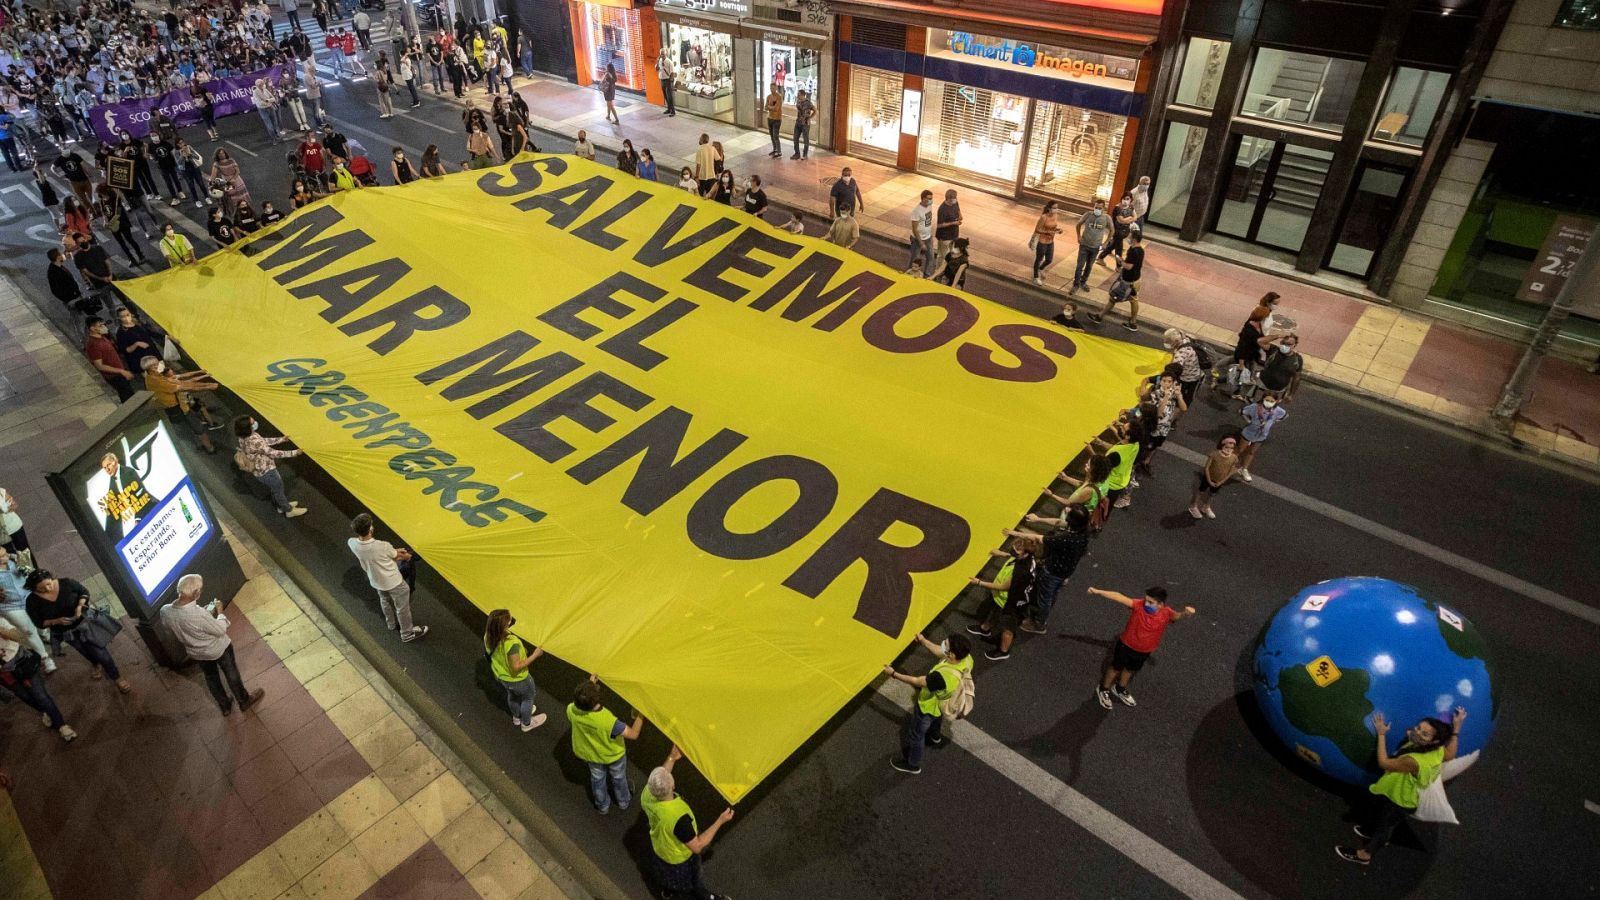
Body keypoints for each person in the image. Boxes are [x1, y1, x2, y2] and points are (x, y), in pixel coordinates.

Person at [1336, 707, 1466, 865]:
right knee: (1385, 819)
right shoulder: (1437, 750)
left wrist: (1382, 734)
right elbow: (1451, 754)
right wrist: (1456, 728)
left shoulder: (1413, 761)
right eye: (1418, 728)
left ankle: (1365, 855)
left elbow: (1384, 763)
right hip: (1405, 795)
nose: (1417, 733)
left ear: (1435, 741)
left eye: (1424, 734)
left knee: (1386, 826)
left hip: (1401, 801)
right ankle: (1372, 833)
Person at [160, 574, 264, 715]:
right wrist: (220, 611)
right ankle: (244, 700)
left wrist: (204, 615)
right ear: (196, 593)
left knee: (211, 677)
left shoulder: (165, 611)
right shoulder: (198, 615)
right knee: (231, 672)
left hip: (197, 653)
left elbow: (169, 629)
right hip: (218, 649)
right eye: (200, 590)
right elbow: (220, 630)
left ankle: (225, 706)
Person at [642, 746, 735, 899]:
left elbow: (662, 777)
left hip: (660, 849)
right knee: (693, 882)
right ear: (673, 786)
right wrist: (721, 820)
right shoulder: (678, 819)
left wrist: (671, 757)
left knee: (669, 878)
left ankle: (669, 891)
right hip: (679, 859)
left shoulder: (648, 794)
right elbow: (697, 846)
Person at [1088, 586, 1196, 709]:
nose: (1146, 603)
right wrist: (1098, 591)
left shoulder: (1166, 613)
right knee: (1115, 668)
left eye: (1150, 602)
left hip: (1144, 651)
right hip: (1126, 646)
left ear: (1160, 604)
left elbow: (1176, 616)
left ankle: (1119, 688)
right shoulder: (1138, 605)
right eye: (1146, 600)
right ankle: (1103, 689)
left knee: (1130, 669)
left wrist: (1185, 613)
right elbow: (1118, 596)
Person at [25, 569, 133, 693]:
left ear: (51, 578)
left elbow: (84, 592)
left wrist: (79, 606)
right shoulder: (31, 601)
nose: (48, 589)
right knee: (83, 650)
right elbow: (38, 623)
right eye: (42, 588)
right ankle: (95, 663)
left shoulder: (66, 583)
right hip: (65, 632)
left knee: (101, 653)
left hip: (84, 625)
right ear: (34, 588)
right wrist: (56, 621)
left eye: (49, 584)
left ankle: (117, 678)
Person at [885, 632, 972, 774]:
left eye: (946, 644)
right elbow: (940, 652)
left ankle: (913, 765)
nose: (943, 643)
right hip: (942, 702)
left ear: (952, 655)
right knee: (937, 717)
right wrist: (923, 640)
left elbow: (916, 681)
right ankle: (935, 735)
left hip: (928, 707)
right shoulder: (967, 659)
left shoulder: (941, 677)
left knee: (916, 735)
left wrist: (893, 674)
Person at [348, 512, 428, 642]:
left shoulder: (352, 543)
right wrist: (406, 555)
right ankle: (407, 633)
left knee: (384, 600)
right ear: (370, 529)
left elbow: (382, 554)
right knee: (402, 607)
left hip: (376, 580)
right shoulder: (383, 545)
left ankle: (391, 623)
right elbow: (396, 556)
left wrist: (395, 551)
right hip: (394, 582)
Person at [568, 679, 644, 814]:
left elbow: (582, 702)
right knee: (618, 777)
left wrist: (589, 684)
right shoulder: (608, 721)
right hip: (613, 756)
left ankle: (602, 806)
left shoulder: (571, 710)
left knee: (597, 779)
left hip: (590, 755)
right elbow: (633, 734)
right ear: (597, 700)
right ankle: (623, 801)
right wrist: (641, 715)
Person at [0, 619, 75, 742]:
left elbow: (17, 636)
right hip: (4, 674)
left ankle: (62, 725)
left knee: (40, 696)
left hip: (20, 661)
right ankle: (46, 711)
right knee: (25, 696)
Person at [967, 535, 1037, 661]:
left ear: (1023, 553)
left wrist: (979, 583)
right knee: (995, 611)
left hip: (1012, 602)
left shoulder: (1021, 571)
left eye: (1015, 551)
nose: (1012, 552)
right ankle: (985, 629)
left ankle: (1003, 651)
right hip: (1003, 598)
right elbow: (1013, 557)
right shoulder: (1028, 559)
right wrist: (1001, 554)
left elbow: (1004, 587)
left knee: (1007, 628)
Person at [483, 609, 546, 731]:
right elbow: (516, 666)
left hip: (501, 676)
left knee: (512, 696)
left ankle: (516, 717)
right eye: (509, 620)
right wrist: (535, 655)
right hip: (518, 679)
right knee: (528, 698)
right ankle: (526, 723)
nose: (511, 620)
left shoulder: (488, 635)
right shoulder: (511, 643)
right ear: (504, 625)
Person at [233, 415, 307, 517]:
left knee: (275, 488)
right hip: (266, 470)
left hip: (260, 469)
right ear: (248, 428)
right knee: (278, 488)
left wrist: (280, 440)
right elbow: (273, 453)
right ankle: (288, 510)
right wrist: (294, 453)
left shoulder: (244, 436)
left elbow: (263, 441)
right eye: (253, 423)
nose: (255, 423)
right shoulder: (253, 440)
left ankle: (281, 504)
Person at [0, 547, 54, 675]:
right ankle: (45, 658)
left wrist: (26, 566)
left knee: (39, 619)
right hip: (10, 606)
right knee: (28, 630)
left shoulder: (15, 560)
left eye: (5, 552)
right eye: (2, 556)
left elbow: (33, 574)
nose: (7, 555)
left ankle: (44, 633)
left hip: (28, 596)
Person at [1087, 231, 1145, 332]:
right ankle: (1132, 322)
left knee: (1114, 298)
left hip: (1129, 282)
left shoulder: (1133, 251)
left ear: (1134, 239)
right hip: (1135, 280)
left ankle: (1100, 317)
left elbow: (1129, 266)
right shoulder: (1140, 250)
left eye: (1130, 237)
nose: (1128, 238)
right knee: (1132, 300)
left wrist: (1120, 262)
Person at [83, 316, 136, 402]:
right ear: (92, 328)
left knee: (131, 396)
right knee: (128, 399)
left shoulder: (102, 337)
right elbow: (99, 366)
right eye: (100, 326)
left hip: (120, 373)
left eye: (103, 325)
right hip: (114, 376)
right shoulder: (93, 345)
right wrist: (121, 371)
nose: (104, 327)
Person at [1189, 434, 1241, 520]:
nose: (1229, 450)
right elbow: (1207, 467)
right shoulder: (1214, 454)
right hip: (1209, 477)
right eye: (1227, 447)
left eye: (1231, 448)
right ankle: (1193, 506)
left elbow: (1231, 471)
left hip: (1220, 480)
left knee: (1213, 494)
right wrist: (1209, 480)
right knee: (1201, 491)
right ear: (1222, 446)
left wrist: (1222, 481)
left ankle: (1206, 507)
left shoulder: (1234, 458)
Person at [1237, 394, 1287, 482]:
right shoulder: (1255, 407)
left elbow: (1284, 416)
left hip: (1262, 435)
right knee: (1240, 450)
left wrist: (1274, 421)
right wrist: (1248, 421)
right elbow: (1241, 412)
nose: (1269, 403)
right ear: (1263, 399)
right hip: (1249, 432)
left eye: (1272, 401)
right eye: (1267, 400)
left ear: (1276, 401)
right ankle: (1231, 464)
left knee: (1251, 452)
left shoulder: (1277, 410)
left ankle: (1244, 469)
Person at [1071, 198, 1111, 294]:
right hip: (1084, 245)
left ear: (1103, 208)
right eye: (1095, 207)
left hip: (1095, 247)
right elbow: (1078, 224)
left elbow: (1112, 230)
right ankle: (1076, 284)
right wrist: (1078, 236)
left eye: (1099, 208)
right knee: (1080, 265)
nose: (1097, 209)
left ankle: (1083, 282)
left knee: (1089, 265)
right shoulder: (1088, 215)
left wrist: (1105, 243)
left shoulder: (1106, 218)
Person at [1163, 328, 1207, 405]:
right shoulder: (1185, 340)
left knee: (1183, 394)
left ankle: (1182, 404)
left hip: (1188, 378)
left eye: (1169, 342)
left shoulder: (1180, 354)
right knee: (1189, 394)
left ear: (1175, 342)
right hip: (1196, 372)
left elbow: (1176, 368)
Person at [1256, 333, 1304, 402]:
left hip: (1279, 390)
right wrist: (1278, 335)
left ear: (1294, 345)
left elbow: (1297, 377)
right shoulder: (1274, 350)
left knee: (1271, 406)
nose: (1285, 346)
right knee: (1259, 403)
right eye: (1284, 343)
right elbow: (1260, 341)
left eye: (1289, 344)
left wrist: (1291, 394)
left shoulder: (1298, 359)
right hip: (1263, 385)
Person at [1099, 193, 1137, 265]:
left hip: (1125, 231)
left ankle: (1100, 258)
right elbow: (1120, 220)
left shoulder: (1131, 206)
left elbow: (1135, 217)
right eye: (1124, 198)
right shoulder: (1118, 208)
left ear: (1131, 200)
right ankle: (1118, 266)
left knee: (1113, 246)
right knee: (1119, 249)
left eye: (1128, 199)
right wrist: (1130, 218)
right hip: (1117, 231)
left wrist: (1128, 219)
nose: (1125, 200)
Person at [1031, 200, 1063, 284]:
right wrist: (1046, 232)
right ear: (1049, 208)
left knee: (1049, 260)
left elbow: (1053, 227)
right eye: (1054, 208)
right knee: (1039, 259)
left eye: (1057, 208)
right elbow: (1037, 229)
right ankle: (1036, 277)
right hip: (1042, 241)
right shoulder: (1044, 217)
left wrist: (1058, 230)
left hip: (1050, 241)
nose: (1056, 210)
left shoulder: (1056, 216)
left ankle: (1041, 269)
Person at [907, 189, 936, 278]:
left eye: (931, 198)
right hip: (918, 239)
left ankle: (927, 275)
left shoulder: (929, 206)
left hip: (928, 237)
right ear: (923, 199)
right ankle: (910, 274)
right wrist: (921, 242)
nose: (931, 200)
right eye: (929, 198)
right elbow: (915, 229)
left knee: (931, 257)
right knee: (915, 259)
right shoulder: (917, 211)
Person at [935, 189, 962, 261]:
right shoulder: (942, 209)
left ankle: (946, 269)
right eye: (954, 198)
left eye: (956, 197)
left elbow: (958, 210)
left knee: (951, 255)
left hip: (954, 235)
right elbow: (939, 225)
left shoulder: (955, 203)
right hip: (945, 237)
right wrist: (953, 223)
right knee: (943, 257)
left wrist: (960, 216)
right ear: (948, 198)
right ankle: (939, 270)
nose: (955, 199)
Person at [792, 89, 815, 159]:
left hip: (805, 124)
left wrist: (809, 118)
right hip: (798, 122)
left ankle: (805, 155)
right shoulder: (798, 101)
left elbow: (815, 110)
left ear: (802, 95)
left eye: (799, 94)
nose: (797, 96)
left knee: (805, 140)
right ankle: (797, 154)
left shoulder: (808, 103)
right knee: (795, 138)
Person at [764, 82, 784, 157]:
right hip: (770, 118)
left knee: (776, 135)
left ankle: (779, 151)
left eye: (773, 88)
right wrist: (770, 107)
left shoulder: (779, 97)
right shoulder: (768, 97)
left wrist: (770, 107)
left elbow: (776, 108)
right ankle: (775, 149)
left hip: (777, 119)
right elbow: (765, 107)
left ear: (776, 88)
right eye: (771, 88)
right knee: (772, 135)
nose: (772, 89)